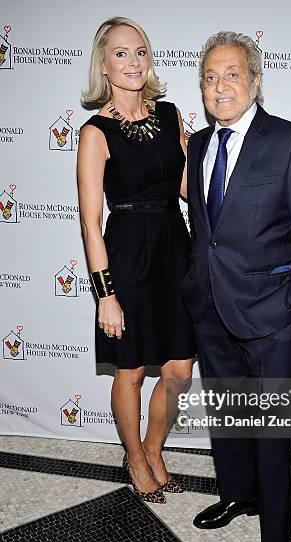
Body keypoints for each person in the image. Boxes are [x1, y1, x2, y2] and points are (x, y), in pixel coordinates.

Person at [182, 31, 291, 542]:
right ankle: (235, 494)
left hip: (272, 315)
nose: (220, 87)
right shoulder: (196, 145)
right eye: (209, 77)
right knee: (227, 413)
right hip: (210, 308)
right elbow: (208, 231)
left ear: (255, 81)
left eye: (231, 75)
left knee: (271, 433)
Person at [77, 17, 195, 504]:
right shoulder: (95, 131)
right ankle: (134, 456)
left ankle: (153, 446)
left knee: (179, 369)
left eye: (140, 52)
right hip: (126, 251)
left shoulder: (170, 115)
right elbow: (89, 221)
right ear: (103, 64)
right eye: (121, 53)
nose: (132, 62)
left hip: (176, 244)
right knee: (129, 370)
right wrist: (106, 295)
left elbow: (189, 191)